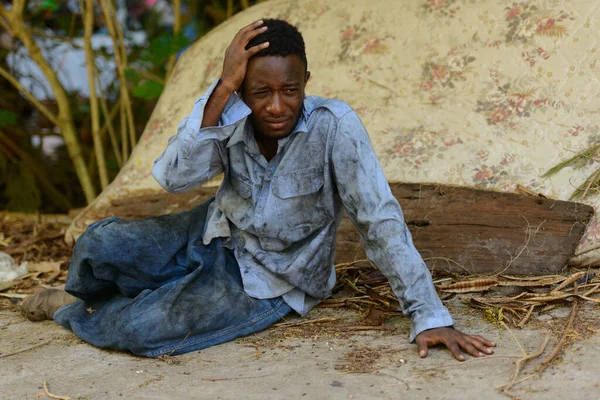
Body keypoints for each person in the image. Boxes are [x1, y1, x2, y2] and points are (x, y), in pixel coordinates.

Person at [22, 18, 495, 361]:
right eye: (258, 92)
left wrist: (428, 315)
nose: (275, 106)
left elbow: (379, 221)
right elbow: (172, 177)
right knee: (99, 244)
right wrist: (223, 87)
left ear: (305, 82)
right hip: (210, 231)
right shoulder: (226, 111)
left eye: (289, 90)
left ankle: (74, 311)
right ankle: (87, 293)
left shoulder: (335, 127)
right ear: (243, 89)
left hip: (269, 279)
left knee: (145, 329)